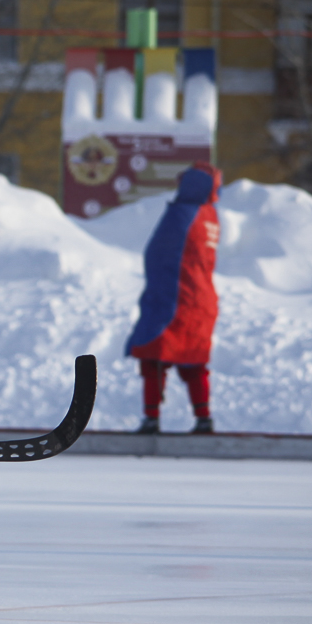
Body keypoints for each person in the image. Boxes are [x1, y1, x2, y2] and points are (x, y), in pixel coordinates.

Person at [125, 163, 222, 434]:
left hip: (175, 300)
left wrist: (154, 296)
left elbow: (158, 256)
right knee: (194, 362)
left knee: (153, 356)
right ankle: (204, 418)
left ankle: (151, 418)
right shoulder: (210, 215)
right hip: (202, 300)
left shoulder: (182, 214)